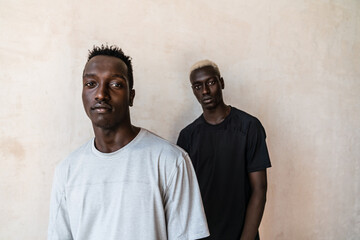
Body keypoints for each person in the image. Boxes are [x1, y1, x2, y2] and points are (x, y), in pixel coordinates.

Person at [47, 45, 209, 240]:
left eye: (115, 84)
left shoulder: (170, 161)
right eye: (91, 84)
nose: (100, 94)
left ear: (131, 96)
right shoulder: (67, 170)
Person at [177, 60, 271, 240]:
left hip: (242, 234)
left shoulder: (249, 127)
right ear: (193, 91)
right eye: (198, 86)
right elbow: (184, 197)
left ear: (221, 82)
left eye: (210, 82)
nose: (205, 90)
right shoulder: (187, 136)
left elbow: (260, 189)